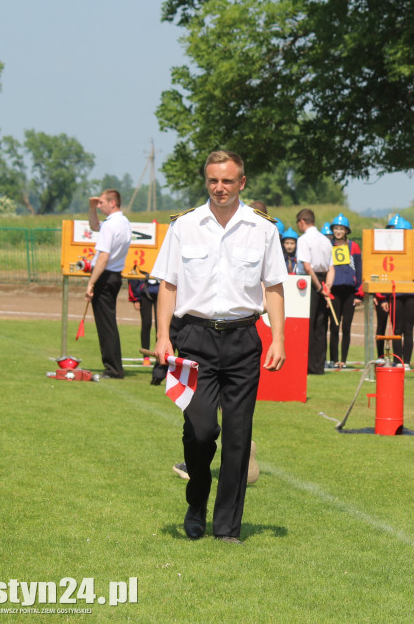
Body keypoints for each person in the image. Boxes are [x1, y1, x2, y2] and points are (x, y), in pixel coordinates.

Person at [151, 150, 286, 544]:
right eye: (213, 180)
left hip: (244, 338)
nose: (220, 188)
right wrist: (163, 335)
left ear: (241, 182)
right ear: (206, 181)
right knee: (201, 429)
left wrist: (278, 336)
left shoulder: (263, 229)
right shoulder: (184, 226)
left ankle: (227, 527)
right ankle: (196, 502)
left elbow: (274, 286)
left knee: (239, 436)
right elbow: (168, 285)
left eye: (227, 181)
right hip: (193, 339)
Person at [86, 189, 132, 380]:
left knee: (106, 325)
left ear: (113, 203)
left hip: (105, 277)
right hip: (115, 276)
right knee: (109, 323)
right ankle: (114, 366)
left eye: (102, 203)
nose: (99, 205)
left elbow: (103, 257)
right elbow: (94, 225)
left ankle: (113, 368)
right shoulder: (124, 222)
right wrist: (92, 209)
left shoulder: (110, 225)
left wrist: (91, 283)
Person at [373, 215, 414, 367]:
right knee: (396, 328)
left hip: (412, 293)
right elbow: (386, 275)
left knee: (409, 329)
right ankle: (397, 360)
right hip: (395, 293)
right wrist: (384, 298)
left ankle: (406, 362)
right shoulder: (389, 251)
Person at [295, 208, 334, 375]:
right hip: (324, 280)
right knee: (321, 325)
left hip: (309, 282)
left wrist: (318, 288)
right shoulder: (326, 240)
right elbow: (331, 268)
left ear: (302, 221)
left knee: (307, 324)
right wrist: (327, 288)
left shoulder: (303, 240)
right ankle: (318, 366)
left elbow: (307, 266)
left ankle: (306, 365)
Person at [327, 213, 363, 368]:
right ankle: (335, 360)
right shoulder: (328, 245)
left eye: (341, 228)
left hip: (349, 292)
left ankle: (344, 360)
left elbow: (359, 270)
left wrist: (358, 293)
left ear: (346, 231)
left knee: (346, 327)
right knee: (334, 326)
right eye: (336, 228)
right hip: (334, 291)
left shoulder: (353, 246)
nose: (339, 231)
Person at [128, 272, 160, 377]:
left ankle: (159, 356)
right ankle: (146, 356)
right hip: (144, 290)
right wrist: (135, 298)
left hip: (161, 290)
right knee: (146, 323)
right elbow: (133, 272)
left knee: (160, 326)